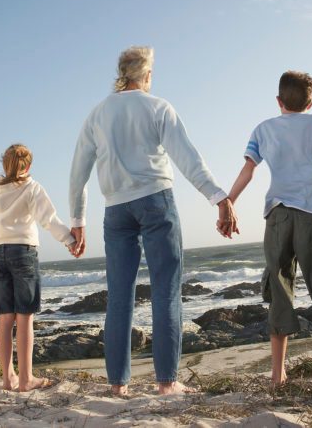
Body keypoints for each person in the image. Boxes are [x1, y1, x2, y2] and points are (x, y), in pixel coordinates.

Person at [67, 46, 238, 396]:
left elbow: (77, 172)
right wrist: (218, 197)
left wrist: (77, 219)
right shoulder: (158, 106)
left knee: (119, 297)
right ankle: (166, 382)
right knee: (165, 290)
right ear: (145, 75)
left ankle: (117, 385)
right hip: (155, 201)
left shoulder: (96, 113)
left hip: (115, 210)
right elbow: (187, 156)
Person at [225, 71, 312, 392]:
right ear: (311, 101)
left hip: (277, 217)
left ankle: (277, 375)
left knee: (279, 288)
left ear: (279, 101)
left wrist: (229, 203)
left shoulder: (263, 129)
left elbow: (247, 171)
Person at [0, 144, 78, 392]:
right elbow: (49, 219)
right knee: (25, 316)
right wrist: (69, 240)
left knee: (5, 317)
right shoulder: (32, 187)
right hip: (24, 253)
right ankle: (26, 378)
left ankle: (8, 378)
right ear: (27, 166)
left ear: (4, 164)